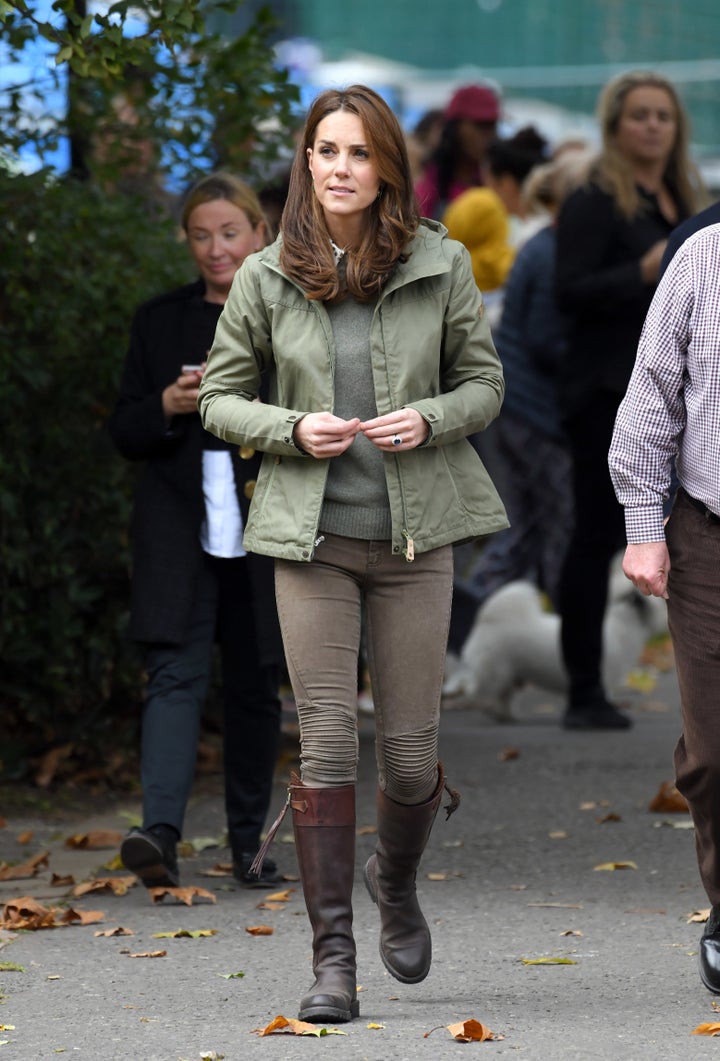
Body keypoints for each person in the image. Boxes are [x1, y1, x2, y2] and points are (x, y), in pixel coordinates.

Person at [197, 84, 507, 1023]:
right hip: (312, 541)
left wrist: (434, 416)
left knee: (410, 762)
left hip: (416, 540)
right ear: (306, 163)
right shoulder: (264, 275)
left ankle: (395, 879)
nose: (339, 168)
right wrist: (292, 427)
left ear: (387, 169)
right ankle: (334, 960)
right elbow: (218, 398)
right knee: (328, 740)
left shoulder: (440, 261)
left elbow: (486, 384)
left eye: (359, 153)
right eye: (325, 151)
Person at [108, 172, 284, 891]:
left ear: (258, 233)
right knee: (174, 675)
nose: (216, 249)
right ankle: (160, 834)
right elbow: (124, 428)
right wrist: (168, 403)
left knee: (253, 685)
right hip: (179, 524)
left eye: (229, 233)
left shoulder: (287, 312)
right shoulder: (159, 320)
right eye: (201, 235)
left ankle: (250, 846)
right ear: (186, 240)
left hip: (263, 520)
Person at [553, 70, 704, 731]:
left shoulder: (687, 199)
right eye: (639, 115)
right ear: (614, 126)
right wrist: (641, 273)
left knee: (680, 530)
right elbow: (568, 289)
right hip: (606, 391)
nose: (651, 126)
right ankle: (583, 685)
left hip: (685, 394)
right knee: (596, 534)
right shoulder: (593, 199)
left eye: (662, 116)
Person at [608, 222, 720, 994]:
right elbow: (652, 392)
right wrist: (644, 528)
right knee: (712, 751)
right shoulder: (703, 257)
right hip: (711, 530)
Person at [448, 148, 592, 653]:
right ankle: (569, 654)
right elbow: (546, 341)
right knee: (555, 531)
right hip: (536, 416)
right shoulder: (554, 252)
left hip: (515, 410)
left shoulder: (541, 246)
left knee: (523, 532)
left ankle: (464, 631)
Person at [415, 83, 500, 219]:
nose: (489, 135)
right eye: (481, 125)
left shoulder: (496, 183)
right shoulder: (429, 188)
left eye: (492, 126)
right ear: (455, 128)